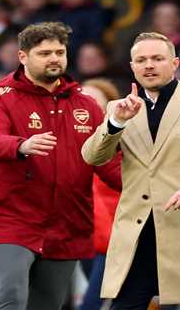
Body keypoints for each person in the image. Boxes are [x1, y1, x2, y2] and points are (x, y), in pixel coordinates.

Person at [0, 22, 121, 310]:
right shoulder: (0, 98)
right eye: (44, 53)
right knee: (10, 301)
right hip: (8, 221)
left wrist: (150, 187)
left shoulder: (87, 105)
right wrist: (20, 146)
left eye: (59, 51)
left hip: (66, 225)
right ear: (23, 57)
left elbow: (106, 163)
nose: (54, 58)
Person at [81, 32, 180, 310]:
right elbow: (93, 156)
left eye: (157, 59)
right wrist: (115, 123)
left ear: (174, 63)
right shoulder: (118, 108)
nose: (149, 65)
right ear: (132, 67)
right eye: (141, 60)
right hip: (137, 230)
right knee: (124, 305)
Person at [79, 78, 121, 310]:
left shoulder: (121, 141)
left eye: (94, 100)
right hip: (84, 239)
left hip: (113, 241)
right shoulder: (68, 139)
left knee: (90, 305)